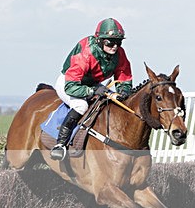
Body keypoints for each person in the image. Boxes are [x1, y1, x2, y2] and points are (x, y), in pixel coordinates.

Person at [50, 18, 133, 160]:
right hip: (69, 82)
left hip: (92, 84)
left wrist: (123, 92)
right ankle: (60, 144)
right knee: (81, 105)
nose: (115, 47)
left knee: (113, 101)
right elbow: (71, 87)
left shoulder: (119, 53)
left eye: (118, 42)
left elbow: (123, 76)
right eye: (110, 42)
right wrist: (92, 91)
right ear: (100, 40)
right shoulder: (86, 53)